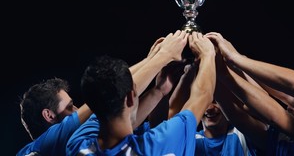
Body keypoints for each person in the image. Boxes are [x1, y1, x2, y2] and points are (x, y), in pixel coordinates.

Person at [66, 31, 217, 155]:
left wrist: (158, 91)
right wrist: (208, 54)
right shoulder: (156, 145)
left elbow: (119, 112)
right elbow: (203, 96)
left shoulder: (76, 145)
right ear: (131, 98)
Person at [167, 62, 260, 156]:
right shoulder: (192, 140)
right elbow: (173, 115)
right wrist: (188, 75)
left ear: (226, 103)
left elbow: (259, 104)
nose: (210, 108)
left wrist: (238, 66)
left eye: (215, 101)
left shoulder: (242, 134)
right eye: (205, 102)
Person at [17, 77, 92, 156]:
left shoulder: (78, 146)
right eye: (69, 107)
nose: (77, 110)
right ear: (49, 116)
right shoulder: (33, 150)